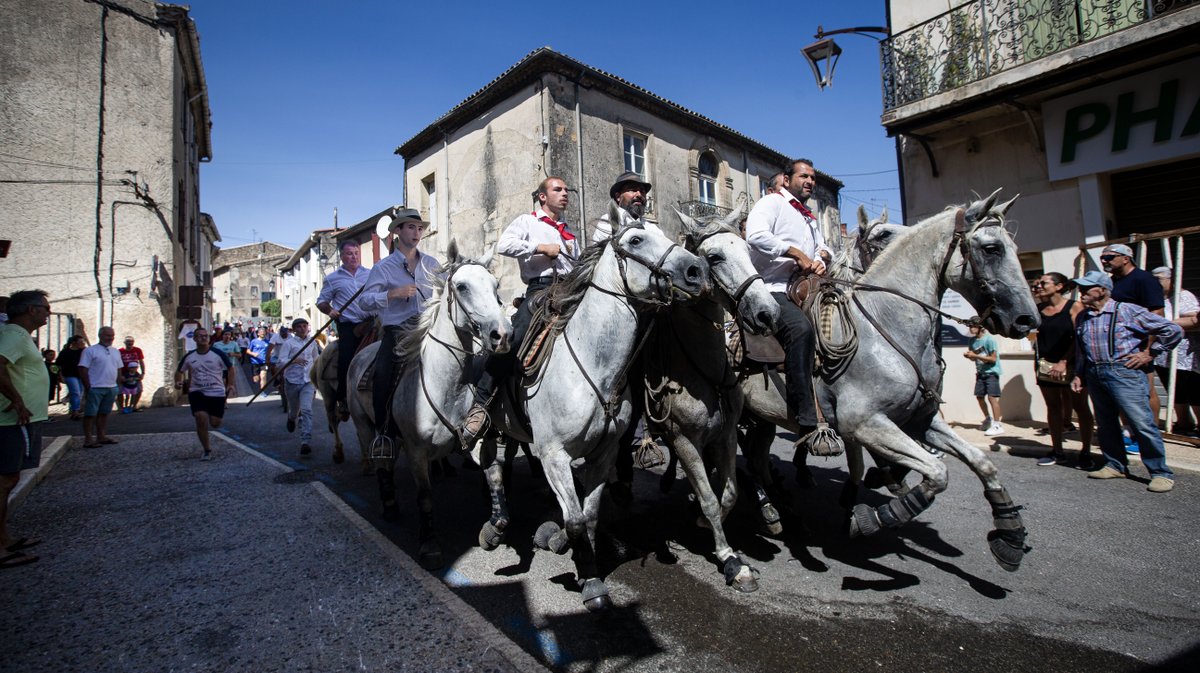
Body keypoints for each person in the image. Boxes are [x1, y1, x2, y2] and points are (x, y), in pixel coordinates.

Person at [462, 177, 577, 444]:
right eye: (557, 190)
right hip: (540, 290)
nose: (565, 194)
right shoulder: (528, 222)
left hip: (570, 290)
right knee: (513, 339)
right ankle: (481, 404)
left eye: (566, 190)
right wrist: (539, 247)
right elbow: (504, 245)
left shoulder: (568, 230)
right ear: (542, 197)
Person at [745, 158, 838, 453]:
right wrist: (793, 251)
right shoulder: (771, 203)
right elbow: (755, 236)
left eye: (813, 178)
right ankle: (806, 416)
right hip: (771, 288)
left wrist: (821, 258)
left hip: (808, 287)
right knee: (800, 330)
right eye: (804, 176)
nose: (810, 181)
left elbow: (825, 246)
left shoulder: (809, 215)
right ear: (786, 179)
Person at [1070, 271, 1182, 492]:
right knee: (1105, 423)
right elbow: (1081, 350)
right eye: (1081, 288)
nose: (1081, 292)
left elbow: (1173, 330)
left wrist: (1150, 353)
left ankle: (1160, 472)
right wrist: (1079, 374)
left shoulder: (1127, 310)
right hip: (1095, 371)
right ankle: (1115, 464)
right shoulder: (1084, 316)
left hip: (1124, 372)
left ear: (1102, 290)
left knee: (1141, 423)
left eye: (1087, 288)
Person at [359, 208, 440, 444]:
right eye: (411, 227)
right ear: (397, 231)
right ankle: (384, 435)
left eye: (419, 228)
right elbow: (365, 301)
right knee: (383, 374)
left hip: (429, 328)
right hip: (398, 332)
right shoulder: (383, 268)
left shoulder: (432, 263)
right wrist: (391, 294)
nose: (417, 233)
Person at [0, 290, 52, 568]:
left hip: (20, 420)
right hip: (10, 420)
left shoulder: (19, 336)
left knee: (9, 479)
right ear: (30, 310)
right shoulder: (14, 335)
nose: (48, 312)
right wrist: (17, 400)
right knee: (4, 480)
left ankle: (5, 538)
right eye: (45, 307)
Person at [1031, 273, 1095, 467]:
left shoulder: (1074, 307)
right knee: (1053, 407)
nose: (1038, 286)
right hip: (1046, 365)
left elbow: (1079, 336)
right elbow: (1031, 335)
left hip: (1072, 363)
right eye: (1037, 283)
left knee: (1080, 407)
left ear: (1059, 286)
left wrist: (1064, 361)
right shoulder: (1038, 309)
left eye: (1043, 283)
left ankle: (1086, 452)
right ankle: (1057, 451)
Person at [1102, 243, 1167, 422]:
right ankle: (1129, 431)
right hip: (1116, 349)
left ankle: (1151, 433)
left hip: (1137, 347)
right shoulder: (1111, 282)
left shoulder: (1143, 279)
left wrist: (1147, 351)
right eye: (1102, 257)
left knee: (1146, 391)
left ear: (1125, 258)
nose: (1104, 260)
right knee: (1122, 395)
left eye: (1109, 257)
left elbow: (1157, 315)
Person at [316, 238, 371, 420]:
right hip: (348, 325)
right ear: (342, 256)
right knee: (347, 356)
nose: (354, 257)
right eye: (349, 254)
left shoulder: (370, 274)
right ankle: (343, 398)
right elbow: (321, 302)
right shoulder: (332, 279)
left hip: (370, 320)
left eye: (356, 253)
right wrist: (330, 311)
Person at [1151, 266, 1200, 436]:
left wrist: (1165, 324)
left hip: (1183, 353)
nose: (1155, 282)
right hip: (1164, 354)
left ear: (1172, 280)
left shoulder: (1184, 296)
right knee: (1174, 389)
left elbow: (1194, 320)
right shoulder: (1159, 298)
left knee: (1193, 389)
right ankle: (1183, 423)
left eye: (1159, 279)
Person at [175, 327, 236, 461]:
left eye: (205, 336)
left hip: (216, 392)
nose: (203, 338)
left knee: (215, 423)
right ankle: (207, 449)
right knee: (200, 417)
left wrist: (230, 384)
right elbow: (179, 371)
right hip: (197, 391)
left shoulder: (217, 354)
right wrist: (178, 382)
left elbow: (231, 368)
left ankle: (212, 414)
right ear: (195, 339)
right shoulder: (189, 356)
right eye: (200, 336)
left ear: (208, 338)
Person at [274, 318, 321, 456]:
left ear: (308, 327)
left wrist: (318, 373)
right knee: (295, 409)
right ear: (294, 329)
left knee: (306, 410)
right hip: (292, 381)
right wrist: (294, 360)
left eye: (304, 326)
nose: (302, 328)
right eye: (299, 327)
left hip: (308, 381)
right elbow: (280, 362)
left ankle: (305, 441)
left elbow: (316, 358)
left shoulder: (312, 342)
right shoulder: (288, 344)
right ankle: (291, 417)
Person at [78, 326, 124, 448]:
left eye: (112, 335)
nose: (111, 338)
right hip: (95, 386)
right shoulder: (90, 351)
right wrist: (88, 386)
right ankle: (88, 439)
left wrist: (118, 384)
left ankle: (101, 436)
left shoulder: (115, 351)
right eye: (108, 335)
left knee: (104, 413)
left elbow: (119, 368)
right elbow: (83, 368)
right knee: (90, 414)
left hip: (111, 387)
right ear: (101, 335)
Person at [965, 322, 1005, 437]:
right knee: (979, 397)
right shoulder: (972, 341)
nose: (971, 328)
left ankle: (997, 425)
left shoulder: (989, 340)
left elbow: (993, 359)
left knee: (992, 398)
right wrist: (970, 356)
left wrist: (976, 356)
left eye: (973, 326)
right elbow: (974, 359)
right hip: (980, 373)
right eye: (970, 326)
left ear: (980, 327)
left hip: (991, 373)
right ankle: (988, 419)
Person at [57, 335, 85, 420]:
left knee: (79, 393)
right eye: (80, 342)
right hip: (69, 375)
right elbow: (58, 364)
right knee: (76, 392)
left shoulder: (83, 352)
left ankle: (68, 401)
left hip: (80, 375)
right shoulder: (65, 352)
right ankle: (75, 412)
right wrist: (60, 375)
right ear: (74, 343)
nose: (82, 343)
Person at [118, 336, 145, 410]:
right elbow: (117, 364)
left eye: (131, 341)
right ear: (124, 342)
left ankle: (134, 406)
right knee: (120, 391)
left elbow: (141, 362)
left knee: (139, 389)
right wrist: (120, 376)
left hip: (135, 373)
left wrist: (143, 373)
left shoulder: (137, 350)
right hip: (123, 373)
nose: (130, 343)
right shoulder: (119, 351)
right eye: (128, 341)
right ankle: (121, 408)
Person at [267, 325, 290, 411]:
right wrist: (267, 360)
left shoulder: (291, 337)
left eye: (285, 333)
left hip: (287, 357)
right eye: (282, 333)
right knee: (274, 368)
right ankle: (276, 379)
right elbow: (269, 349)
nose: (284, 334)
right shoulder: (275, 337)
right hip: (276, 357)